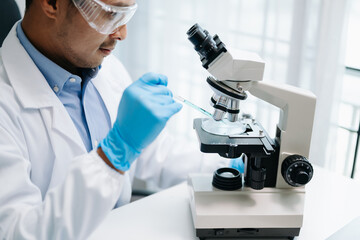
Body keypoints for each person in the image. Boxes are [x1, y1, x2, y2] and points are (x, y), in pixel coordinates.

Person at [0, 0, 243, 239]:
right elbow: (17, 233)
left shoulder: (99, 65)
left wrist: (233, 167)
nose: (122, 33)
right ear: (52, 3)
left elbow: (155, 153)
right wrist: (112, 155)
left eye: (126, 15)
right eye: (110, 13)